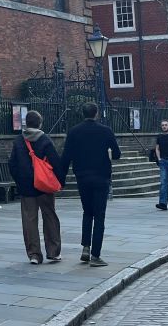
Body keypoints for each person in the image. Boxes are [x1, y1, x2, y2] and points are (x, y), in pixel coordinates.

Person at [59, 101, 121, 268]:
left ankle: (85, 247)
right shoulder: (106, 131)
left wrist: (61, 179)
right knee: (99, 216)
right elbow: (117, 154)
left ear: (83, 114)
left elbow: (66, 157)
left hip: (82, 177)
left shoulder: (74, 132)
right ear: (96, 114)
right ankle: (95, 255)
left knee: (87, 212)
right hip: (101, 177)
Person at [7, 110, 62, 264]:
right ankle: (53, 252)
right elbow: (56, 162)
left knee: (29, 220)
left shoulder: (19, 141)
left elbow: (12, 164)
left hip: (26, 186)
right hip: (44, 185)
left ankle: (34, 254)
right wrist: (59, 181)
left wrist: (19, 181)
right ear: (39, 123)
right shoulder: (45, 140)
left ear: (26, 123)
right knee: (50, 216)